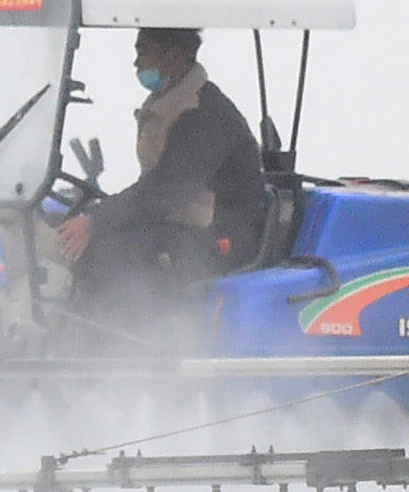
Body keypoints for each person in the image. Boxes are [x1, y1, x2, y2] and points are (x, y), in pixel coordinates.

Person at [53, 25, 274, 316]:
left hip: (222, 239)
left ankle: (106, 344)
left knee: (106, 252)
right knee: (60, 221)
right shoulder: (170, 103)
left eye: (143, 52)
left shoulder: (204, 114)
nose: (136, 63)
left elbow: (165, 192)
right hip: (181, 226)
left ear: (173, 56)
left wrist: (94, 220)